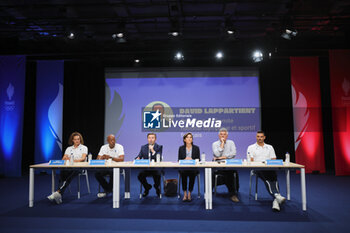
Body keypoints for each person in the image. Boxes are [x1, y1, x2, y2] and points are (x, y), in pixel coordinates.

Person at [247, 130, 286, 211]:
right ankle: (277, 196)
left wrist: (268, 164)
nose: (259, 138)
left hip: (269, 168)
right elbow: (250, 161)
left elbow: (274, 159)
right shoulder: (251, 147)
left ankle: (276, 199)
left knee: (272, 176)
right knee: (269, 177)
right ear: (256, 137)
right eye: (258, 136)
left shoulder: (270, 147)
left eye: (261, 137)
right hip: (257, 168)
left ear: (264, 137)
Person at [47, 132, 87, 204]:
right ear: (72, 140)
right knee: (63, 172)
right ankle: (59, 194)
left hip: (79, 168)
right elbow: (63, 159)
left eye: (78, 139)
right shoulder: (69, 149)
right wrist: (67, 159)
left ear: (80, 140)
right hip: (69, 167)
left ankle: (58, 192)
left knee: (70, 173)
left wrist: (71, 159)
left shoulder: (84, 148)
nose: (77, 141)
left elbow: (83, 159)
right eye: (75, 139)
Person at [212, 128, 240, 202]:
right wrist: (222, 144)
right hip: (218, 166)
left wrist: (224, 157)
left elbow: (233, 153)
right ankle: (208, 192)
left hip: (229, 165)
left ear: (227, 135)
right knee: (210, 172)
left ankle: (232, 194)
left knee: (230, 172)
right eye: (221, 134)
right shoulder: (215, 144)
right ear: (218, 135)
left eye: (224, 134)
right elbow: (217, 154)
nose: (223, 136)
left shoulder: (231, 142)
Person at [136, 133, 163, 197]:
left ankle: (157, 188)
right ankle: (147, 187)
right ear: (147, 139)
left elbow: (159, 158)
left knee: (157, 175)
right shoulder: (143, 147)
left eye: (152, 138)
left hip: (155, 168)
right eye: (149, 138)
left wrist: (152, 150)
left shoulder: (159, 147)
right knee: (140, 176)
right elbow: (139, 156)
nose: (150, 139)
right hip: (146, 168)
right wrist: (137, 158)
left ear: (155, 139)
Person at [178, 133, 200, 202]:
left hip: (192, 168)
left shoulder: (196, 148)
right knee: (183, 173)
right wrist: (184, 159)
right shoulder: (181, 148)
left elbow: (198, 159)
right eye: (187, 137)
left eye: (191, 137)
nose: (189, 139)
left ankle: (189, 193)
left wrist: (192, 160)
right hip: (184, 168)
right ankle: (185, 193)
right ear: (184, 140)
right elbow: (179, 160)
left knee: (192, 173)